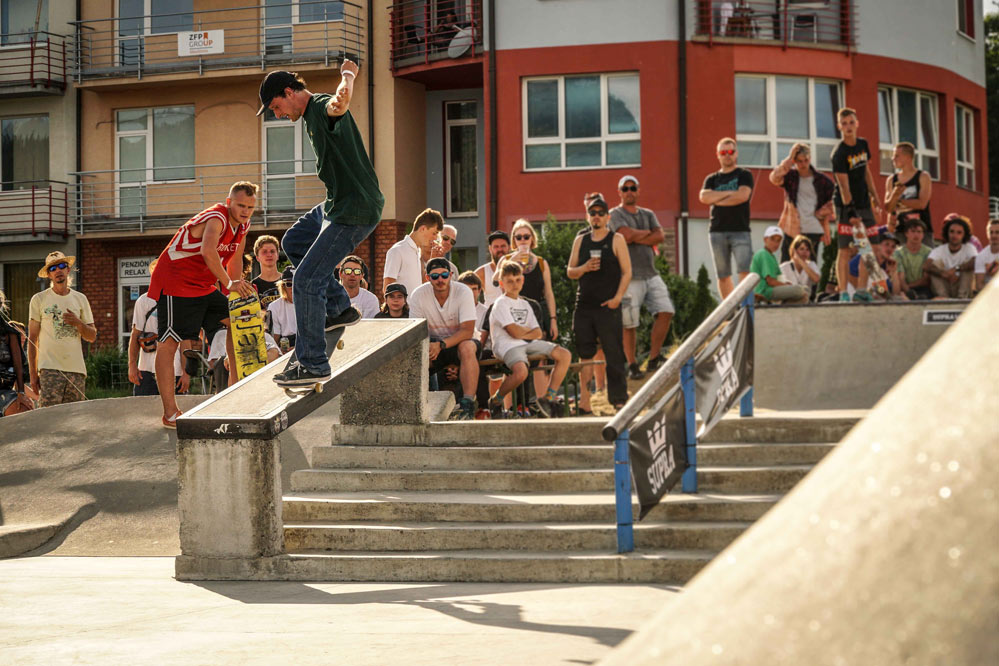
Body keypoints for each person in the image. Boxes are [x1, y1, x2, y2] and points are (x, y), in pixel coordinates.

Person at [258, 60, 385, 387]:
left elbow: (340, 102)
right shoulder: (309, 116)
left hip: (354, 210)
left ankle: (312, 364)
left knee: (304, 280)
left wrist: (349, 74)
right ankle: (339, 308)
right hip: (335, 205)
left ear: (289, 93)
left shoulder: (320, 107)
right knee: (294, 242)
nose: (278, 115)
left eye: (276, 107)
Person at [147, 182, 257, 427]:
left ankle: (234, 389)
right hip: (176, 280)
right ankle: (170, 413)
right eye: (240, 205)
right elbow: (209, 252)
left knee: (235, 320)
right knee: (169, 342)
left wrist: (234, 289)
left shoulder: (244, 225)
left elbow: (236, 258)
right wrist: (228, 283)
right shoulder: (217, 217)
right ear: (229, 202)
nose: (245, 211)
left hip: (202, 285)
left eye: (250, 207)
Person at [568, 193, 631, 412]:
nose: (596, 217)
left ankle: (619, 400)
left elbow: (627, 272)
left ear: (608, 217)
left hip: (608, 307)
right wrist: (584, 268)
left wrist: (617, 298)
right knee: (585, 355)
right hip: (584, 307)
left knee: (613, 353)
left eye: (600, 213)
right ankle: (584, 403)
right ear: (588, 217)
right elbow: (570, 271)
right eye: (592, 213)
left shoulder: (616, 239)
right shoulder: (580, 240)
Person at [608, 175, 674, 379]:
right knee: (630, 324)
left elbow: (660, 236)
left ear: (638, 190)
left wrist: (636, 236)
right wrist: (647, 234)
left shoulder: (648, 213)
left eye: (632, 188)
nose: (629, 192)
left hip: (651, 273)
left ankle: (654, 358)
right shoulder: (614, 214)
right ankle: (633, 364)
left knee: (666, 311)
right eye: (625, 188)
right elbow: (623, 236)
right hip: (628, 276)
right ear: (619, 192)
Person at [487, 262, 570, 419]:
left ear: (523, 281)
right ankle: (496, 400)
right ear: (502, 283)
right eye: (510, 281)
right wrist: (526, 332)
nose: (514, 284)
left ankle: (548, 399)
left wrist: (522, 332)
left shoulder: (525, 303)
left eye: (518, 280)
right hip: (506, 345)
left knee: (564, 355)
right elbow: (513, 332)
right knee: (521, 372)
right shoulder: (500, 304)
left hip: (526, 344)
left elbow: (538, 332)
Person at [408, 257, 480, 420]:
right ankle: (417, 408)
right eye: (435, 276)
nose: (440, 279)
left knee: (467, 347)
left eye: (444, 275)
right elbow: (416, 332)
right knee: (417, 356)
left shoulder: (463, 291)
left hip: (459, 343)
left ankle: (468, 404)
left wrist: (441, 344)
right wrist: (429, 348)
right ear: (427, 278)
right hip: (433, 345)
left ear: (451, 275)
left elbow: (467, 331)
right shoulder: (418, 295)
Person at [27, 252, 97, 408]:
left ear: (68, 269)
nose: (57, 270)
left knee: (74, 422)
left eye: (61, 266)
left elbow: (92, 336)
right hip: (49, 370)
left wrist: (78, 323)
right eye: (53, 268)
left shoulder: (80, 299)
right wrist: (33, 374)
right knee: (48, 421)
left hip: (76, 371)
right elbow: (32, 339)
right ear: (49, 275)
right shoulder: (39, 299)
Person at [830, 107, 883, 303]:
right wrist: (851, 212)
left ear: (857, 123)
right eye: (844, 124)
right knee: (845, 250)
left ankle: (862, 289)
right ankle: (843, 292)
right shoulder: (839, 153)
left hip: (864, 203)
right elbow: (843, 186)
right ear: (839, 127)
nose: (848, 127)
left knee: (871, 248)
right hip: (846, 206)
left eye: (851, 122)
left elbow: (866, 171)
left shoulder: (863, 145)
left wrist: (875, 197)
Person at [700, 138, 755, 298]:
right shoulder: (711, 179)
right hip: (717, 231)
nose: (727, 155)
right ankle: (730, 312)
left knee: (745, 272)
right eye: (723, 152)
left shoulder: (744, 174)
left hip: (740, 230)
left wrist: (716, 199)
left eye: (730, 152)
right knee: (723, 275)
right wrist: (731, 194)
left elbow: (743, 196)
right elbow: (703, 197)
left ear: (736, 153)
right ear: (718, 155)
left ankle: (746, 310)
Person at [127, 260, 188, 397]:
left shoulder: (181, 302)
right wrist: (132, 365)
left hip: (175, 369)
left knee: (176, 414)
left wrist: (186, 372)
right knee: (144, 414)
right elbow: (135, 335)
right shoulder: (144, 301)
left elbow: (185, 341)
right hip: (146, 369)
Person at [769, 143, 834, 262]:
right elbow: (774, 178)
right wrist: (788, 159)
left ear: (810, 159)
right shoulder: (790, 176)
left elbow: (835, 200)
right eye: (799, 161)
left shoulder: (822, 181)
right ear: (794, 161)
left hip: (813, 229)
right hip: (792, 228)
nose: (803, 164)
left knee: (810, 270)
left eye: (806, 160)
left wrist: (823, 212)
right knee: (786, 266)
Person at [384, 208, 444, 295]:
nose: (435, 238)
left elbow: (422, 285)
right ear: (423, 229)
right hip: (404, 308)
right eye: (434, 233)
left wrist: (432, 260)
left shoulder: (417, 252)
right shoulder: (397, 251)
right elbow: (387, 287)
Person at [884, 142, 932, 242]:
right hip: (900, 232)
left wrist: (898, 201)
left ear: (908, 157)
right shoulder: (891, 179)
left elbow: (922, 204)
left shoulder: (923, 176)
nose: (893, 159)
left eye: (897, 156)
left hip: (922, 232)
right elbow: (888, 208)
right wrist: (894, 195)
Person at [750, 227, 809, 304]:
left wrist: (787, 284)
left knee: (806, 290)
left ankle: (784, 307)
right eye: (772, 239)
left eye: (778, 241)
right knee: (799, 290)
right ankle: (783, 306)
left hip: (771, 289)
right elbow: (770, 281)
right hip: (765, 291)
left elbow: (778, 278)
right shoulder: (764, 254)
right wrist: (786, 286)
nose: (775, 243)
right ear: (765, 239)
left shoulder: (770, 255)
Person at [925, 215, 976, 299]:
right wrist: (943, 273)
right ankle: (944, 298)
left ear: (964, 235)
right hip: (945, 285)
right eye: (952, 231)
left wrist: (957, 268)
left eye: (959, 233)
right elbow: (926, 265)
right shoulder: (940, 250)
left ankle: (962, 298)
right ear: (947, 233)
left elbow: (976, 261)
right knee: (935, 264)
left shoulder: (969, 248)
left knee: (969, 265)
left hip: (962, 285)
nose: (954, 235)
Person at [0, 290, 33, 415]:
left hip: (4, 392)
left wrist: (21, 393)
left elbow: (18, 366)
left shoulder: (10, 333)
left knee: (25, 409)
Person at [851, 231, 904, 301]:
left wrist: (894, 272)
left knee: (900, 298)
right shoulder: (863, 257)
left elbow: (895, 293)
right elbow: (848, 277)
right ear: (877, 245)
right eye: (886, 244)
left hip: (873, 304)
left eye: (893, 246)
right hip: (854, 302)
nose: (890, 249)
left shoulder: (884, 267)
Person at [894, 217, 933, 300]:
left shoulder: (929, 252)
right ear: (906, 233)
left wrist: (910, 287)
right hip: (903, 289)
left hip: (923, 289)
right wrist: (908, 291)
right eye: (913, 231)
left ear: (923, 235)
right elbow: (900, 278)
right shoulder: (898, 253)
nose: (916, 235)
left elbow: (926, 279)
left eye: (919, 232)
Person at [475, 230, 510, 306]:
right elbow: (467, 296)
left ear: (509, 247)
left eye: (503, 246)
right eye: (496, 247)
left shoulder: (518, 270)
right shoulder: (482, 272)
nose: (500, 249)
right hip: (491, 317)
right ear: (490, 249)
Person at [268, 266, 297, 353]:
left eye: (297, 283)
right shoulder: (274, 307)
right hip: (285, 344)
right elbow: (275, 338)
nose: (293, 287)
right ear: (283, 286)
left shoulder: (311, 302)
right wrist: (280, 351)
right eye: (289, 284)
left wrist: (297, 348)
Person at [251, 234, 283, 312]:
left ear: (277, 255)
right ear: (257, 257)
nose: (269, 255)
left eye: (272, 251)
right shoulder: (253, 286)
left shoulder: (287, 282)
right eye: (264, 252)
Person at [974, 219, 999, 294]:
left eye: (997, 232)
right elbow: (979, 285)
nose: (994, 235)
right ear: (987, 234)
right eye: (991, 232)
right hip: (989, 295)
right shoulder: (981, 256)